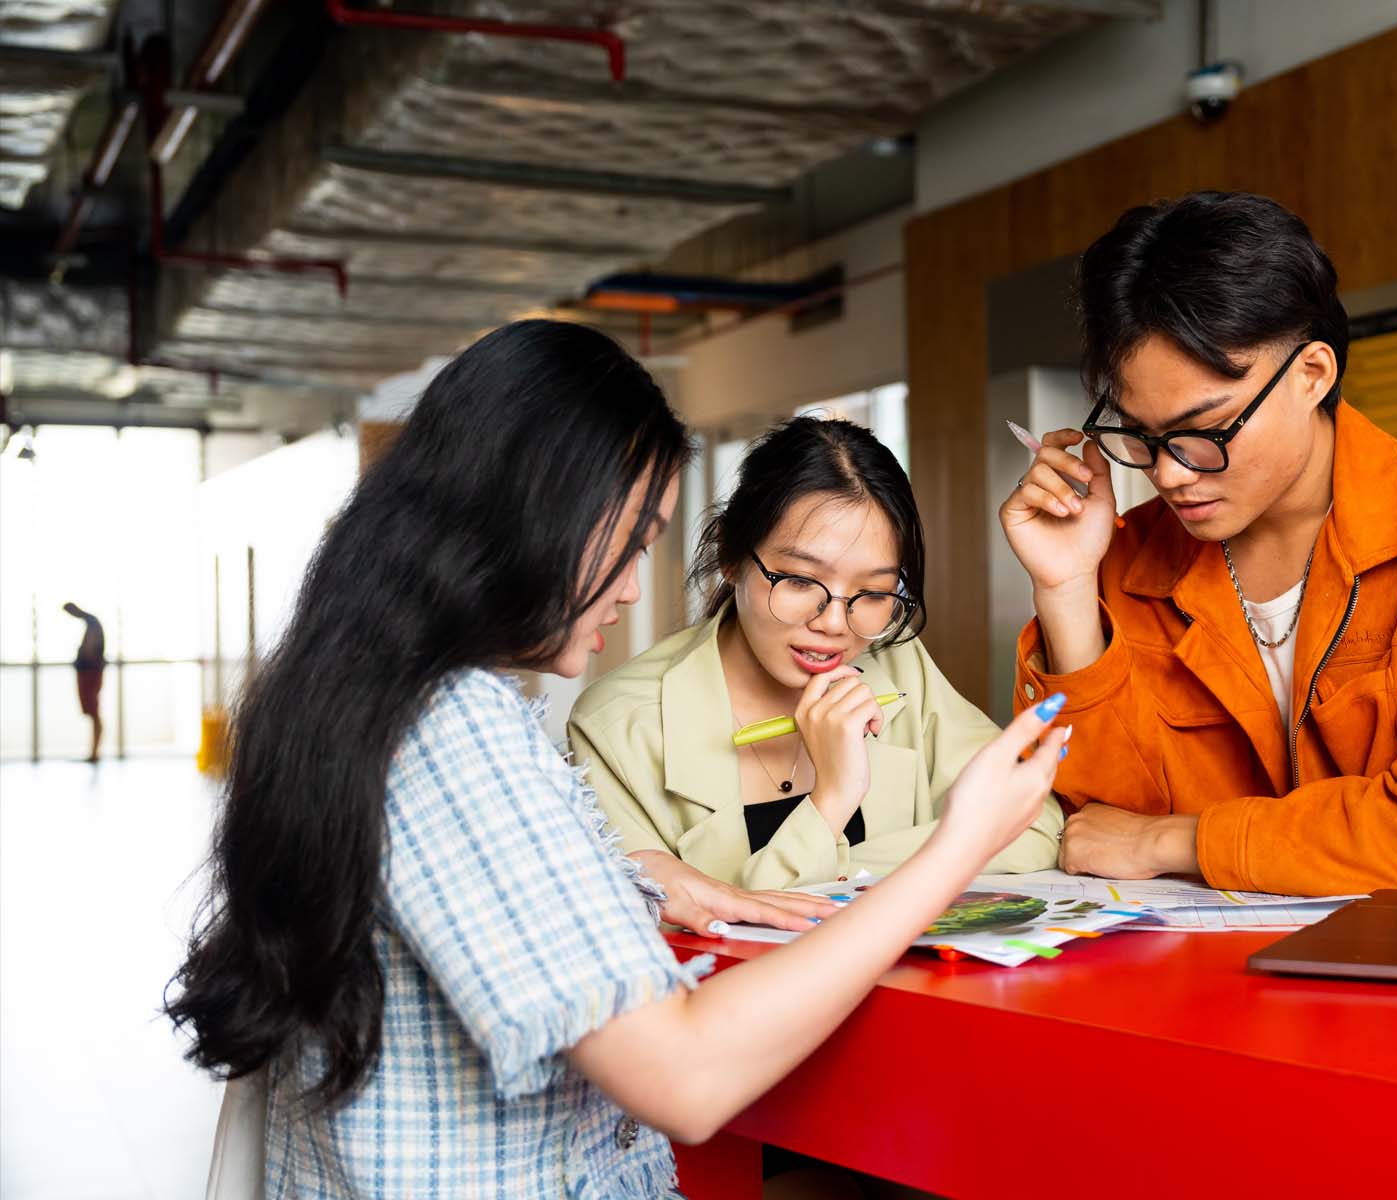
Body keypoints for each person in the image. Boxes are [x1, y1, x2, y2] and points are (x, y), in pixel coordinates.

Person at [165, 320, 1070, 1198]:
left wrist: (631, 873)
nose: (635, 586)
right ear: (531, 514)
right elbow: (683, 1078)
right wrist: (955, 846)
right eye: (630, 540)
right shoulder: (460, 731)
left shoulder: (372, 697)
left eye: (872, 595)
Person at [999, 191, 1397, 897]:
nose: (1169, 474)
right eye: (1141, 436)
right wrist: (1066, 589)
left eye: (1206, 430)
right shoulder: (1127, 556)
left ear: (1312, 375)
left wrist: (1177, 839)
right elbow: (1092, 831)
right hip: (1198, 989)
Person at [571, 417, 1062, 910]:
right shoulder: (619, 725)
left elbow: (1032, 821)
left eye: (872, 591)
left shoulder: (897, 662)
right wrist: (832, 802)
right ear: (730, 554)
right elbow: (669, 924)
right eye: (801, 580)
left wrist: (842, 868)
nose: (834, 623)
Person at [63, 601, 106, 762]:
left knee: (94, 712)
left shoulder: (92, 623)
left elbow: (90, 650)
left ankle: (95, 752)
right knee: (93, 713)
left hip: (90, 673)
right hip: (89, 672)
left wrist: (83, 658)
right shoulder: (91, 623)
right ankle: (94, 752)